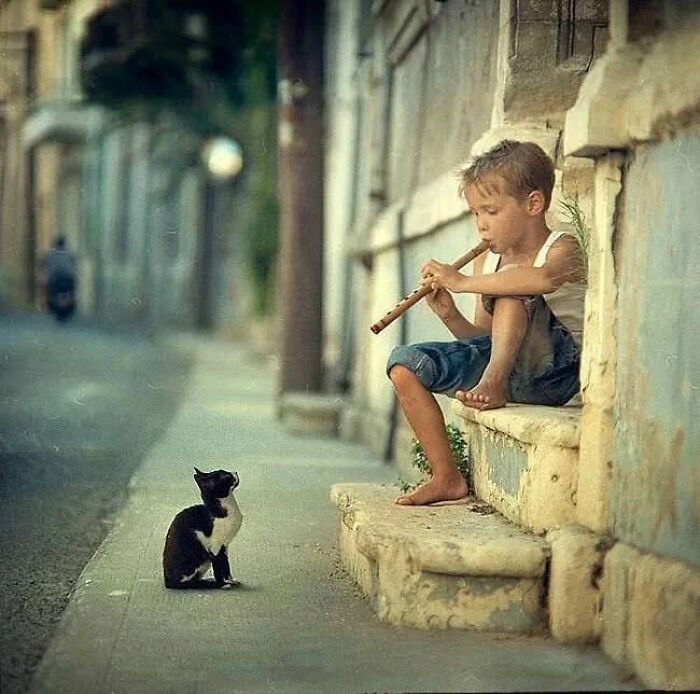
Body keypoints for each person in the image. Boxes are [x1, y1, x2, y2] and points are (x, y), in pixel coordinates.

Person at [386, 140, 586, 506]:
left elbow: (540, 280)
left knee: (514, 281)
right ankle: (446, 476)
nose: (481, 226)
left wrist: (460, 282)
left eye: (490, 212)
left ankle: (491, 384)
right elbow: (486, 339)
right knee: (404, 365)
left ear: (533, 204)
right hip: (508, 370)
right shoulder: (487, 265)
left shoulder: (564, 248)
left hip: (559, 377)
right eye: (475, 214)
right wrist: (449, 313)